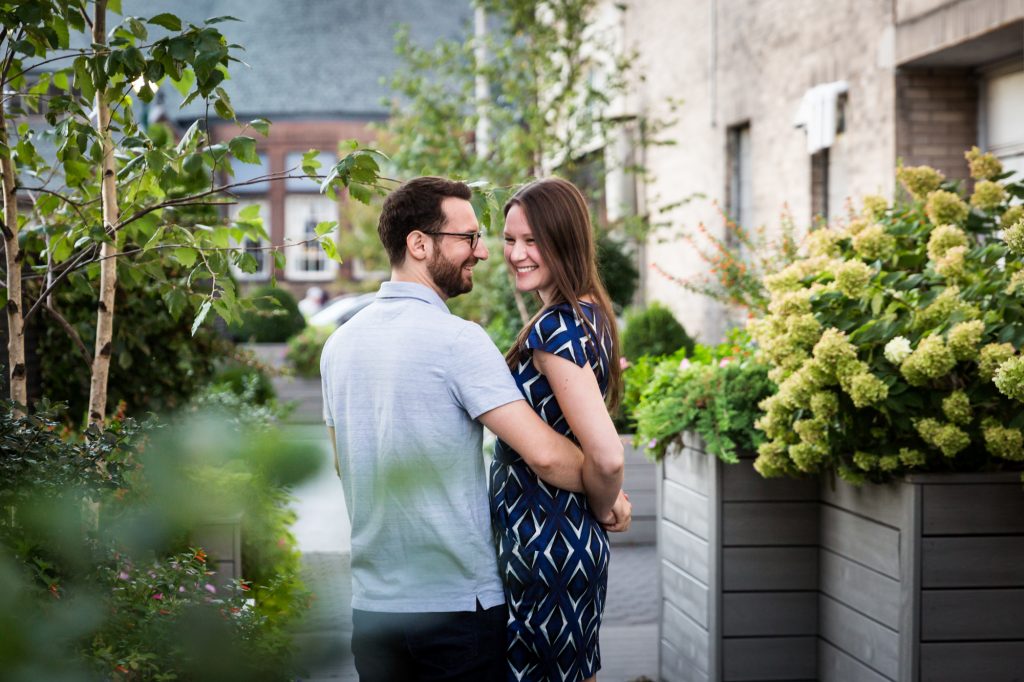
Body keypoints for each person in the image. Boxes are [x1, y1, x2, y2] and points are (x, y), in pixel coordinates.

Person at [319, 177, 627, 682]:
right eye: (468, 238)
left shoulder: (339, 345)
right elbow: (545, 454)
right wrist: (606, 491)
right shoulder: (458, 340)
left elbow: (342, 464)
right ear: (420, 244)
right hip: (458, 606)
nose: (483, 253)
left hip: (373, 606)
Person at [491, 178, 629, 682]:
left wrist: (605, 501)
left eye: (533, 241)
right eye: (509, 240)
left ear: (565, 240)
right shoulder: (590, 316)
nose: (517, 254)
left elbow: (607, 457)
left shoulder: (556, 328)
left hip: (546, 544)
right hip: (561, 542)